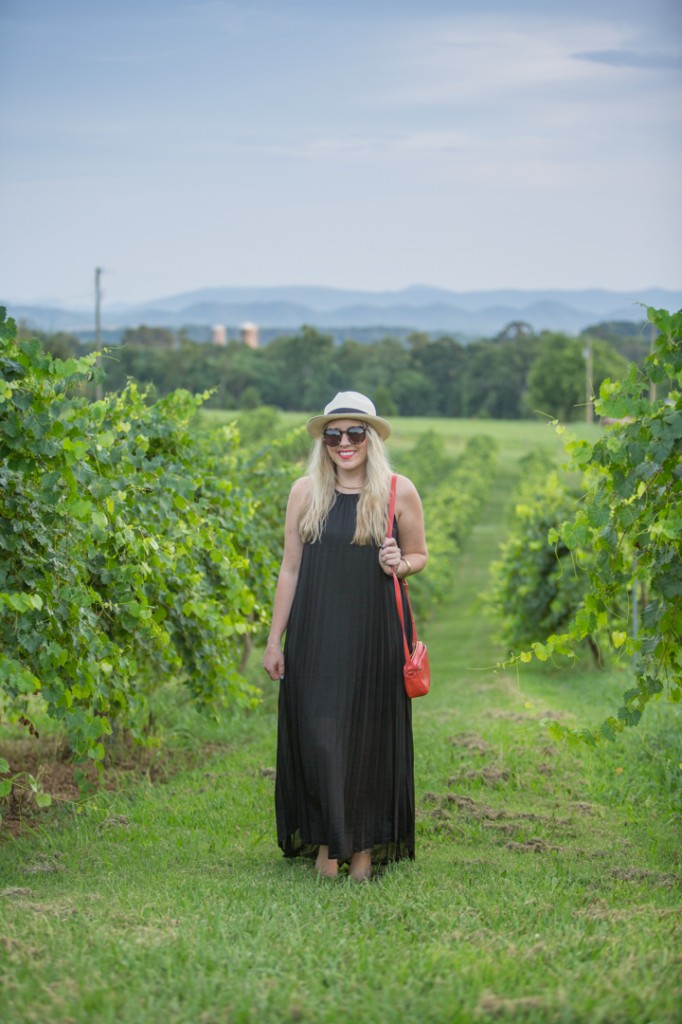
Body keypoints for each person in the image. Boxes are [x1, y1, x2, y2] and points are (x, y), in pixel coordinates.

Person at [263, 391, 428, 882]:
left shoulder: (400, 491)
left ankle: (359, 850)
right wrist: (275, 640)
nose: (344, 443)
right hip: (314, 632)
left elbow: (420, 555)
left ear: (371, 438)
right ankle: (328, 840)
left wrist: (402, 564)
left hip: (374, 632)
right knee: (318, 733)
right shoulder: (304, 493)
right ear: (324, 442)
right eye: (333, 435)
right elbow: (289, 570)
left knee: (366, 734)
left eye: (355, 433)